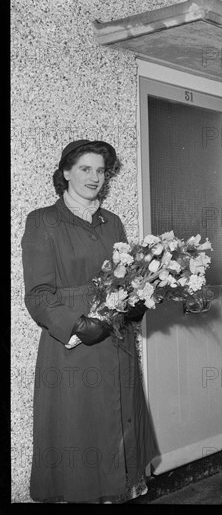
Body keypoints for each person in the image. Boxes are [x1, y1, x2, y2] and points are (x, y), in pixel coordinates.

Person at [22, 140, 158, 503]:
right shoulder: (42, 221)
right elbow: (37, 295)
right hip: (74, 349)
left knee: (120, 434)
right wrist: (80, 326)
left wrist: (137, 303)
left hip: (117, 341)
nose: (95, 177)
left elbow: (127, 278)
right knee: (80, 439)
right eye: (86, 168)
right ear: (66, 172)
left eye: (101, 170)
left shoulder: (112, 222)